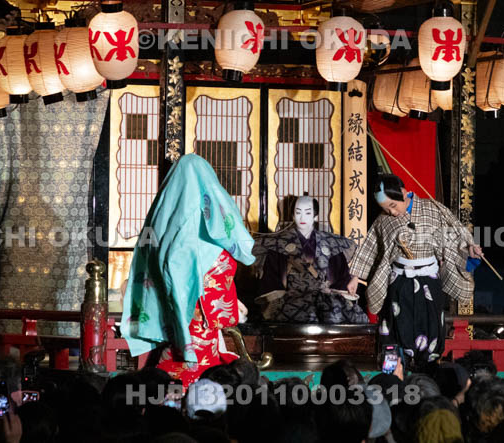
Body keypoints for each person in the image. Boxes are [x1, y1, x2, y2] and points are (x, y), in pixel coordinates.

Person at [122, 154, 256, 388]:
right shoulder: (215, 229)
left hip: (176, 317)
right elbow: (234, 256)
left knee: (178, 365)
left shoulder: (163, 218)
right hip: (201, 319)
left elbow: (153, 266)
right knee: (203, 369)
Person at [346, 173, 482, 366]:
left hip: (428, 280)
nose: (392, 212)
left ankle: (427, 369)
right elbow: (371, 247)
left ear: (403, 193)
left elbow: (455, 232)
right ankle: (394, 371)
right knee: (396, 325)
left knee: (431, 326)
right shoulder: (384, 220)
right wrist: (355, 277)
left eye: (393, 205)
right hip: (399, 281)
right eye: (386, 209)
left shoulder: (432, 209)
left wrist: (470, 247)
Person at [254, 194, 368, 323]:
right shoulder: (279, 244)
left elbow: (339, 280)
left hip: (326, 300)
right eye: (298, 213)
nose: (302, 217)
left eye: (307, 213)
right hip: (291, 300)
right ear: (292, 215)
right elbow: (272, 282)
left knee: (340, 315)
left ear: (315, 215)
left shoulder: (331, 243)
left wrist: (351, 280)